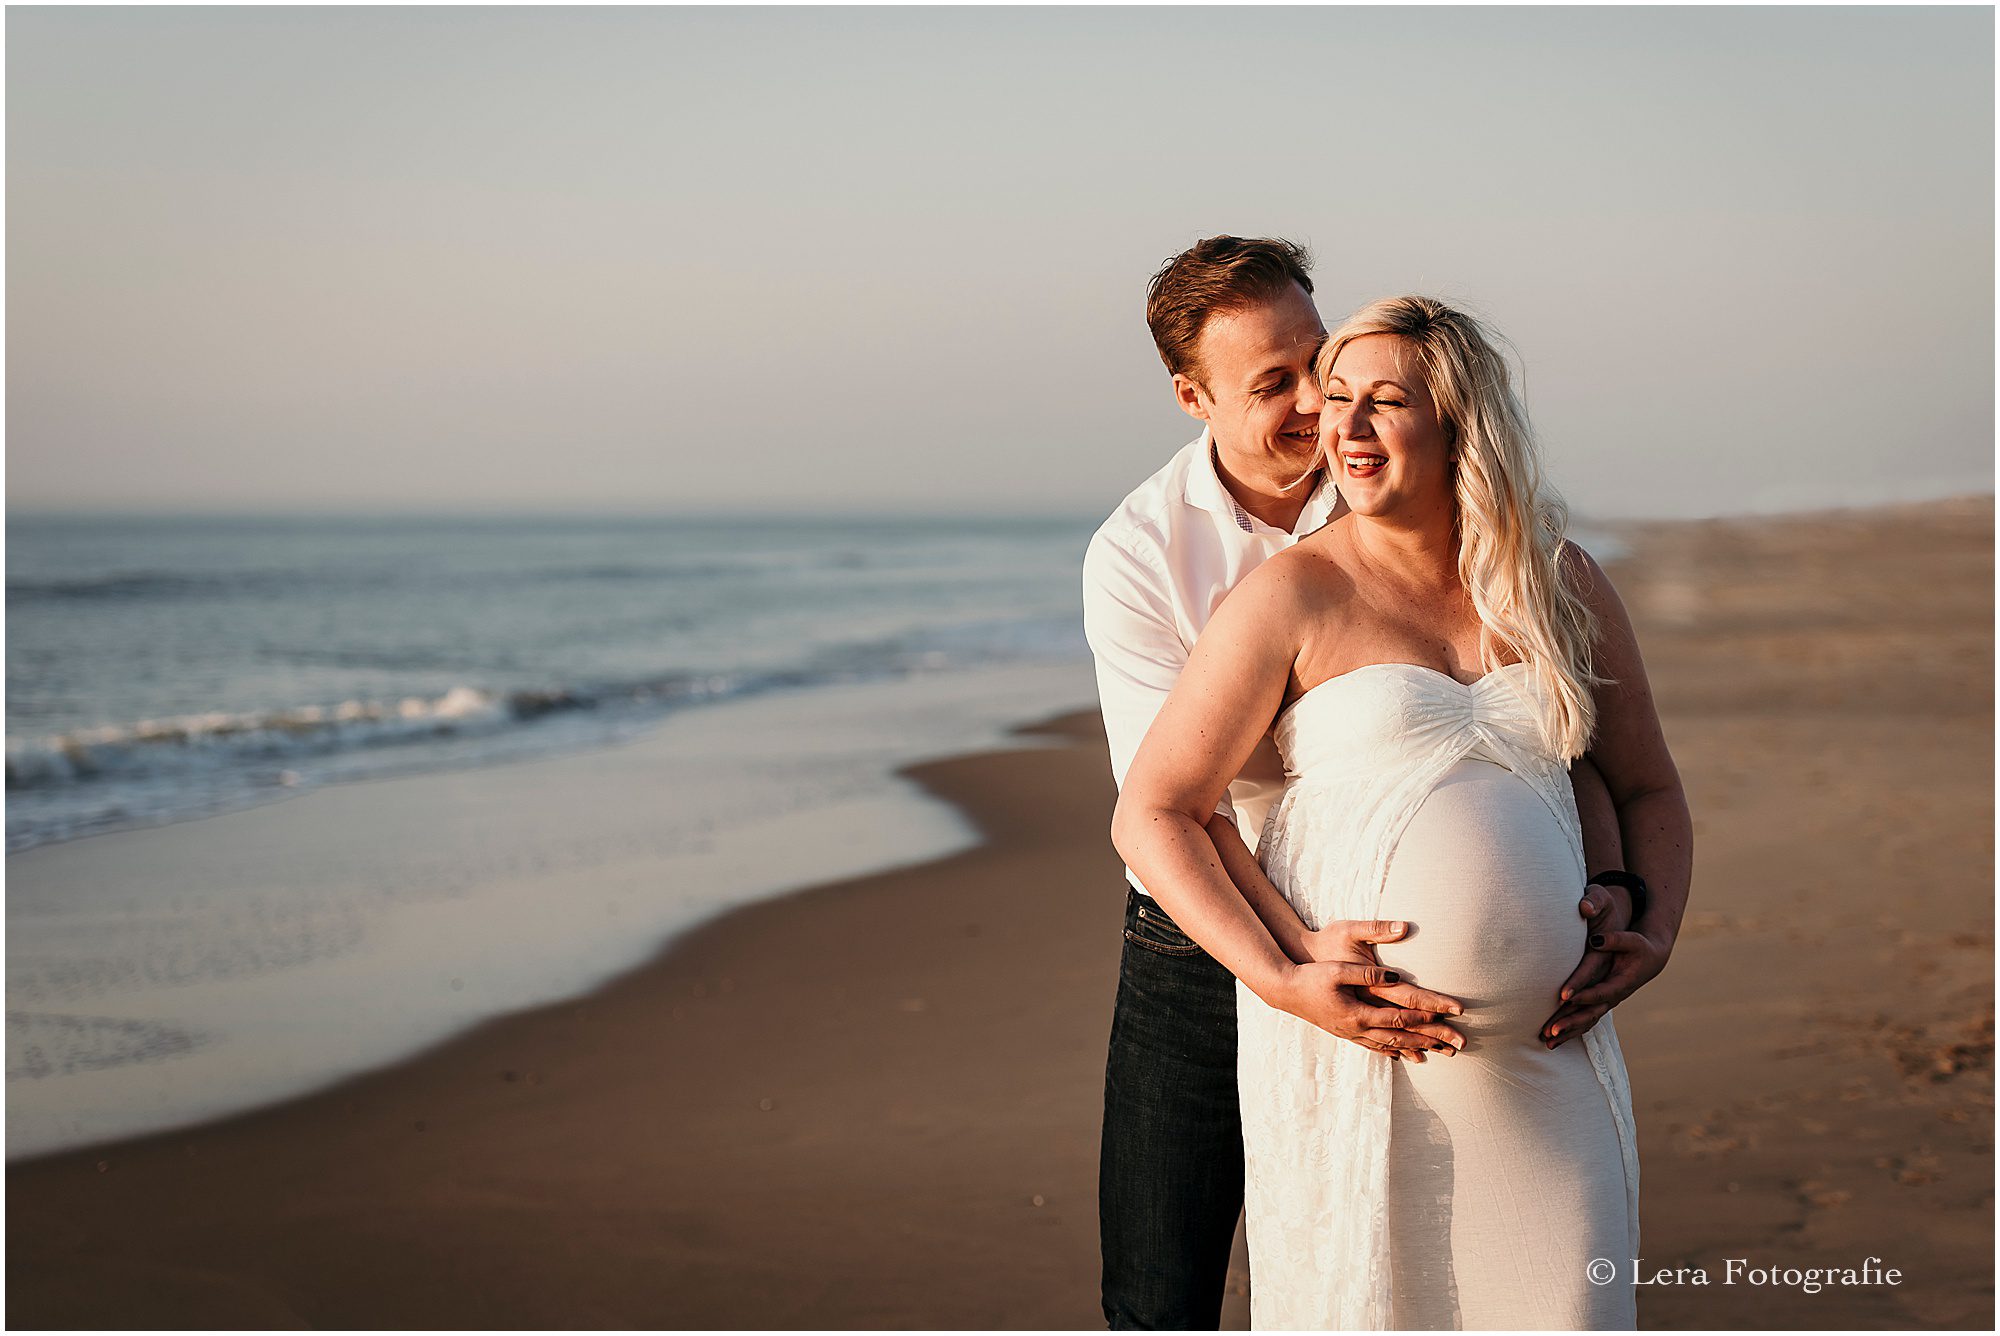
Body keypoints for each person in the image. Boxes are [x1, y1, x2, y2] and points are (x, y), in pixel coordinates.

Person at [1084, 239, 1657, 1329]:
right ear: (1191, 397)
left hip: (1510, 1033)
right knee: (1162, 1285)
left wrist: (1620, 893)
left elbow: (1565, 757)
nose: (1318, 406)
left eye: (1324, 363)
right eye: (1276, 384)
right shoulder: (1142, 556)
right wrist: (1291, 960)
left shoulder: (1452, 523)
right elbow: (1167, 810)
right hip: (1207, 921)